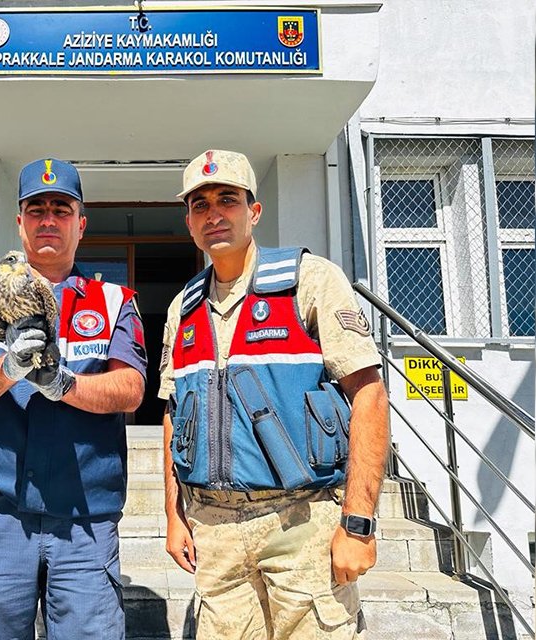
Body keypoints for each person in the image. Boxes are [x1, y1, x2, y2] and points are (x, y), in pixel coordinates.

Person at [158, 149, 390, 639]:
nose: (214, 213)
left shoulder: (310, 280)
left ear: (254, 211)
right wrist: (173, 515)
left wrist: (359, 523)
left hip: (301, 524)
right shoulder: (183, 308)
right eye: (199, 205)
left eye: (228, 199)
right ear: (189, 222)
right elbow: (173, 413)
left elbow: (368, 394)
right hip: (214, 529)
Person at [0, 157, 147, 640]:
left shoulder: (115, 300)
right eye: (36, 210)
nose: (48, 220)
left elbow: (130, 388)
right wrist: (9, 368)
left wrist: (65, 385)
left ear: (81, 223)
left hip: (84, 520)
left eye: (61, 209)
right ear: (20, 222)